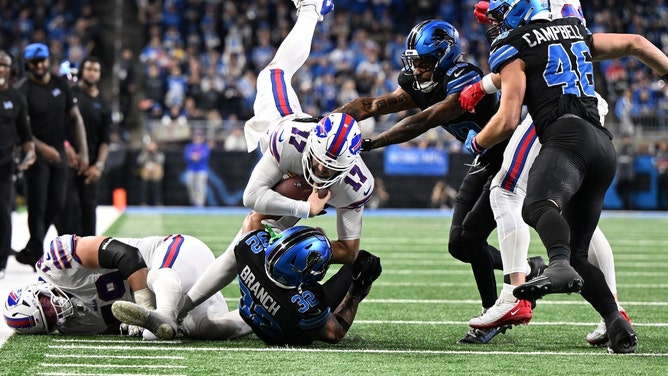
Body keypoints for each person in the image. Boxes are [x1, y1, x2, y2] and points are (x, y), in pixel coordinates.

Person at [463, 0, 667, 353]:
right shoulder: (574, 31)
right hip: (602, 144)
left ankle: (554, 265)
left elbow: (509, 119)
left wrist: (477, 142)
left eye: (498, 16)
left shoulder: (513, 44)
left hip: (566, 138)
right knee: (578, 253)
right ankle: (617, 326)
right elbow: (636, 43)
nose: (494, 25)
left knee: (535, 205)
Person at [334, 19, 544, 344]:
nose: (416, 71)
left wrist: (374, 141)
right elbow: (372, 105)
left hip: (512, 157)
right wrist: (327, 122)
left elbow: (427, 119)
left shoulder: (465, 77)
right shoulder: (420, 81)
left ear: (444, 56)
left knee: (470, 239)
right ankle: (528, 269)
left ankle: (493, 314)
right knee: (459, 244)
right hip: (485, 158)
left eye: (423, 63)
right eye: (414, 62)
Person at [178, 0, 375, 320]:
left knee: (242, 243)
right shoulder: (291, 139)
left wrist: (305, 245)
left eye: (330, 167)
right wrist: (305, 211)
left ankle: (184, 308)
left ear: (347, 166)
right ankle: (313, 9)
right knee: (272, 73)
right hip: (280, 127)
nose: (321, 169)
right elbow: (250, 196)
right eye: (320, 161)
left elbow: (350, 251)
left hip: (296, 193)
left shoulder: (355, 185)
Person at [3, 233, 251, 341]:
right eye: (48, 320)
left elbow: (128, 256)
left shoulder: (57, 260)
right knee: (209, 328)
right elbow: (119, 324)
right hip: (176, 297)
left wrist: (145, 306)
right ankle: (268, 315)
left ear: (35, 292)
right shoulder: (72, 326)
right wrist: (129, 327)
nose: (54, 313)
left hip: (175, 257)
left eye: (45, 306)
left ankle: (162, 314)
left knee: (157, 277)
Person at [234, 225, 381, 345]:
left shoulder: (247, 246)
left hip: (252, 314)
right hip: (282, 335)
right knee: (365, 263)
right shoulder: (305, 305)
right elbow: (334, 333)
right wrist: (355, 293)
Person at [14, 43, 89, 270]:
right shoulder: (22, 90)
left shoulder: (60, 85)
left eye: (42, 60)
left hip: (58, 151)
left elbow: (76, 118)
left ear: (48, 60)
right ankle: (35, 251)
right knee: (37, 205)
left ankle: (33, 249)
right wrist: (41, 148)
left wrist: (83, 151)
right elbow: (19, 127)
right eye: (34, 62)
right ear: (27, 64)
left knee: (57, 202)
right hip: (35, 153)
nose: (39, 65)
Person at [55, 56, 111, 236]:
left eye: (96, 70)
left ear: (100, 74)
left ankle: (89, 257)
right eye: (88, 69)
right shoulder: (71, 94)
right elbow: (56, 126)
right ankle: (65, 252)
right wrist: (65, 146)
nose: (92, 73)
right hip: (68, 161)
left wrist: (99, 166)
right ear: (82, 71)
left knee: (89, 208)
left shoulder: (103, 104)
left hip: (91, 166)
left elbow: (106, 140)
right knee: (66, 207)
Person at [0, 50, 36, 280]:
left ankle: (1, 260)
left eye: (3, 65)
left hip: (4, 164)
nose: (0, 69)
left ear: (11, 70)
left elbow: (26, 135)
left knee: (3, 212)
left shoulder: (17, 98)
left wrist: (30, 152)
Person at [183, 131, 210, 207]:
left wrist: (196, 156)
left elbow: (204, 156)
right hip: (191, 170)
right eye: (196, 138)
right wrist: (193, 157)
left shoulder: (204, 147)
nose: (197, 139)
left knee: (201, 187)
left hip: (201, 170)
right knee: (190, 186)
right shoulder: (189, 147)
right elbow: (186, 157)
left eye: (199, 138)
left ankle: (200, 204)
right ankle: (194, 202)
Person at [136, 140, 165, 206]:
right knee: (144, 188)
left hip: (156, 174)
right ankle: (143, 203)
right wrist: (146, 153)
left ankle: (158, 203)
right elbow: (139, 161)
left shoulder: (159, 154)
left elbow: (161, 161)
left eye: (153, 146)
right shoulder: (145, 153)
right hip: (146, 174)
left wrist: (154, 153)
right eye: (150, 146)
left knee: (157, 189)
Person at [616, 134, 636, 210]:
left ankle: (627, 205)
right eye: (624, 139)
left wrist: (623, 159)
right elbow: (618, 158)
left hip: (629, 174)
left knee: (627, 191)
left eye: (627, 139)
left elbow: (631, 158)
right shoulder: (621, 148)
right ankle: (627, 204)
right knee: (618, 188)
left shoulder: (631, 148)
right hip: (621, 174)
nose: (625, 140)